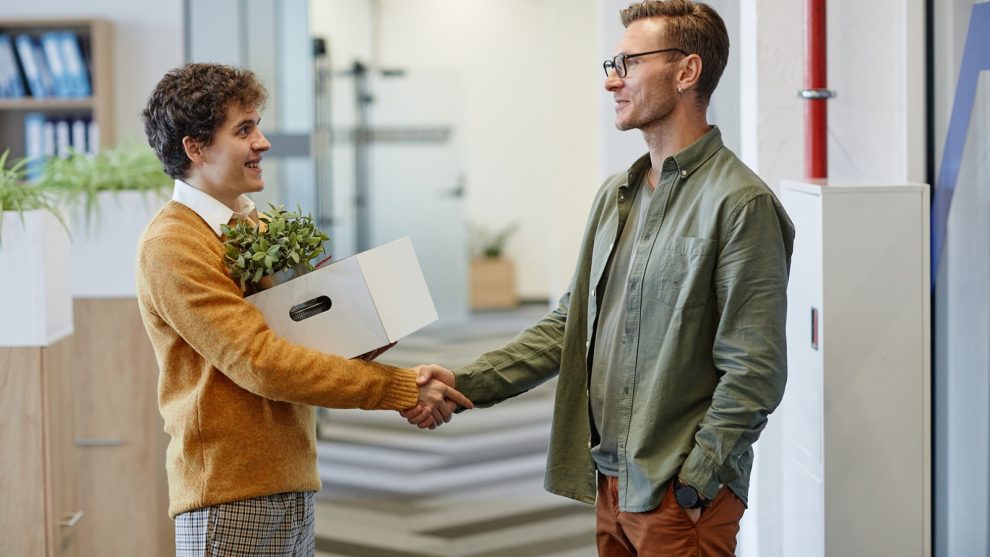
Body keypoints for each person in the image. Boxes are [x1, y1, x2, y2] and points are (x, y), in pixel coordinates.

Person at [404, 1, 794, 555]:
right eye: (612, 63)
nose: (612, 79)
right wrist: (466, 382)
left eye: (629, 62)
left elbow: (754, 370)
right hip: (611, 481)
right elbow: (571, 326)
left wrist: (694, 480)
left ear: (686, 72)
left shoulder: (740, 204)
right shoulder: (617, 196)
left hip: (677, 495)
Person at [137, 62, 471, 556]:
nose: (263, 142)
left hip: (289, 478)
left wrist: (364, 330)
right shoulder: (173, 244)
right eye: (244, 129)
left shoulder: (250, 226)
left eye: (258, 125)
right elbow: (261, 361)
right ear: (195, 147)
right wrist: (400, 388)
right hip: (229, 495)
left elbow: (298, 344)